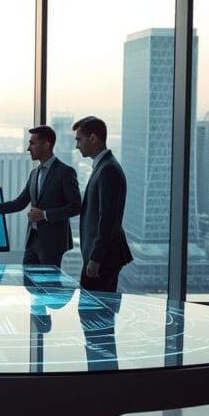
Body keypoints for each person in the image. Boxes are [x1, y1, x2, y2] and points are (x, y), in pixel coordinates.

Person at [0, 125, 81, 267]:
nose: (28, 148)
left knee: (49, 281)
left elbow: (76, 207)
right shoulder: (34, 173)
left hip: (53, 244)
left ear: (46, 145)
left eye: (32, 143)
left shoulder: (65, 172)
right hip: (32, 241)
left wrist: (45, 215)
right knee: (27, 279)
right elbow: (19, 203)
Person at [73, 116, 132, 292]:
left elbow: (108, 218)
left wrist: (96, 257)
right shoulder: (104, 166)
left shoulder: (108, 169)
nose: (77, 146)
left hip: (103, 258)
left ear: (93, 138)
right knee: (98, 307)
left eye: (79, 139)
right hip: (102, 256)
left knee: (92, 307)